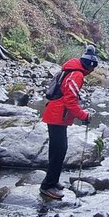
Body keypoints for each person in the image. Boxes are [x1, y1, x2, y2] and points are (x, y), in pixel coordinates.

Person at [39, 45, 97, 199]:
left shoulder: (69, 70)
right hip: (57, 116)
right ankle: (47, 186)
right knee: (59, 151)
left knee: (58, 150)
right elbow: (70, 101)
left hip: (56, 115)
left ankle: (53, 181)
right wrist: (83, 115)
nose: (91, 73)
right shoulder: (77, 74)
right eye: (92, 70)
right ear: (89, 66)